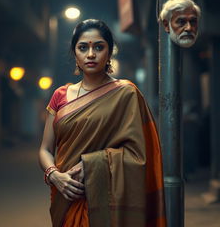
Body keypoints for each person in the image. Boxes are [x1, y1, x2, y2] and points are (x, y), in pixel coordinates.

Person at [39, 19, 166, 227]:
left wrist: (91, 166)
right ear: (75, 54)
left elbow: (139, 155)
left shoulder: (126, 93)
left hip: (108, 199)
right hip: (65, 196)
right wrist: (54, 176)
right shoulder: (60, 95)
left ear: (109, 52)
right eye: (83, 47)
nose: (91, 54)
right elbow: (45, 149)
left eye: (98, 47)